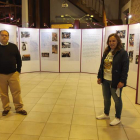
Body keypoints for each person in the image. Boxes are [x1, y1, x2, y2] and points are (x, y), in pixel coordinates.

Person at [96, 33, 129, 126]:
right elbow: (102, 66)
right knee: (106, 98)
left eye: (113, 41)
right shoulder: (106, 52)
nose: (111, 43)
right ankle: (106, 114)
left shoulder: (123, 53)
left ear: (118, 41)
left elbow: (125, 69)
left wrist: (122, 81)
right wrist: (99, 76)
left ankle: (117, 117)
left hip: (115, 81)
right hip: (105, 80)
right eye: (110, 41)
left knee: (117, 100)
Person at [0, 30, 27, 116]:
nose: (4, 37)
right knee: (3, 93)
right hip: (1, 75)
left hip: (13, 74)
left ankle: (19, 108)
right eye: (2, 35)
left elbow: (19, 59)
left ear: (8, 37)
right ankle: (6, 108)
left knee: (16, 92)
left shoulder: (13, 47)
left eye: (6, 35)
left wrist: (18, 70)